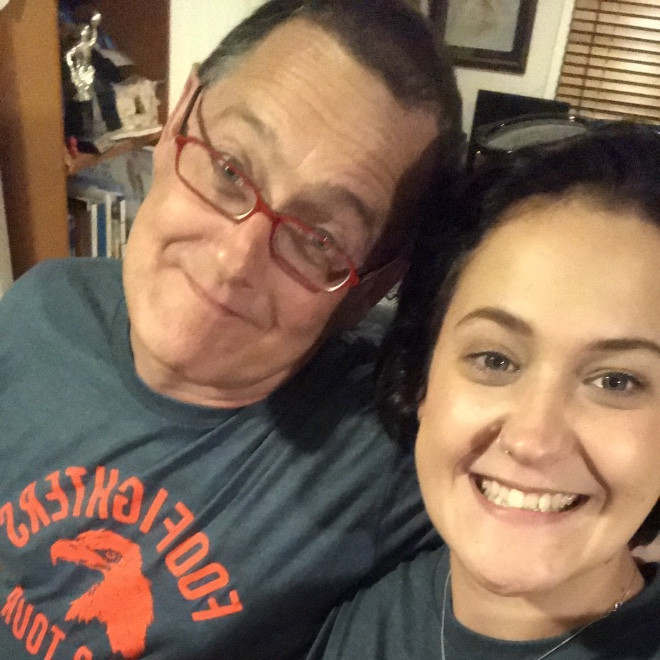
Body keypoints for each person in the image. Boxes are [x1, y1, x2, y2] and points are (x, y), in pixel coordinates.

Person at [0, 1, 463, 658]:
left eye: (318, 238)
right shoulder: (40, 306)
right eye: (229, 169)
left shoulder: (390, 455)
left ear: (370, 288)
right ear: (179, 118)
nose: (232, 259)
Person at [309, 123, 660, 659]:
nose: (532, 440)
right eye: (495, 359)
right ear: (420, 378)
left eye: (617, 381)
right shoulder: (367, 622)